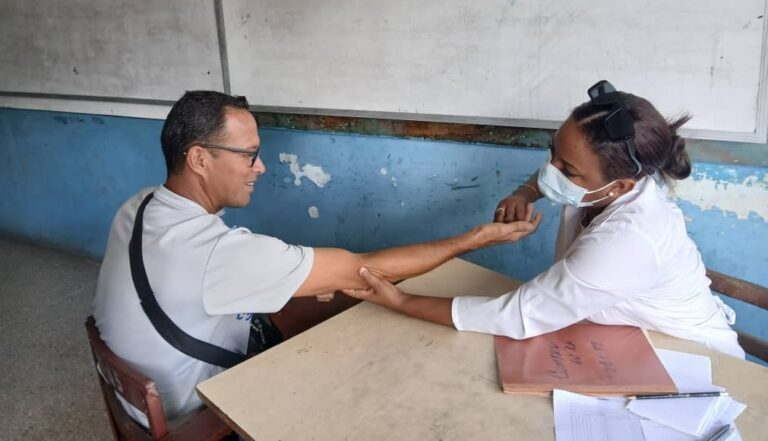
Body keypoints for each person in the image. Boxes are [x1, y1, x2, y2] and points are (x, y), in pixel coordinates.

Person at [92, 90, 541, 427]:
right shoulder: (219, 255)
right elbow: (369, 267)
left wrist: (321, 276)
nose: (261, 167)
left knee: (326, 293)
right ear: (198, 159)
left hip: (135, 392)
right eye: (248, 154)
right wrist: (475, 238)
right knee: (357, 355)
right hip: (193, 414)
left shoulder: (142, 203)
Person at [348, 80, 745, 359]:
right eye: (550, 151)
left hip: (690, 360)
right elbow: (553, 173)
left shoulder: (628, 242)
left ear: (621, 186)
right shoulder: (599, 185)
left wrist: (400, 300)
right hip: (622, 340)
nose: (550, 171)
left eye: (566, 170)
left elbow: (516, 316)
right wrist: (524, 193)